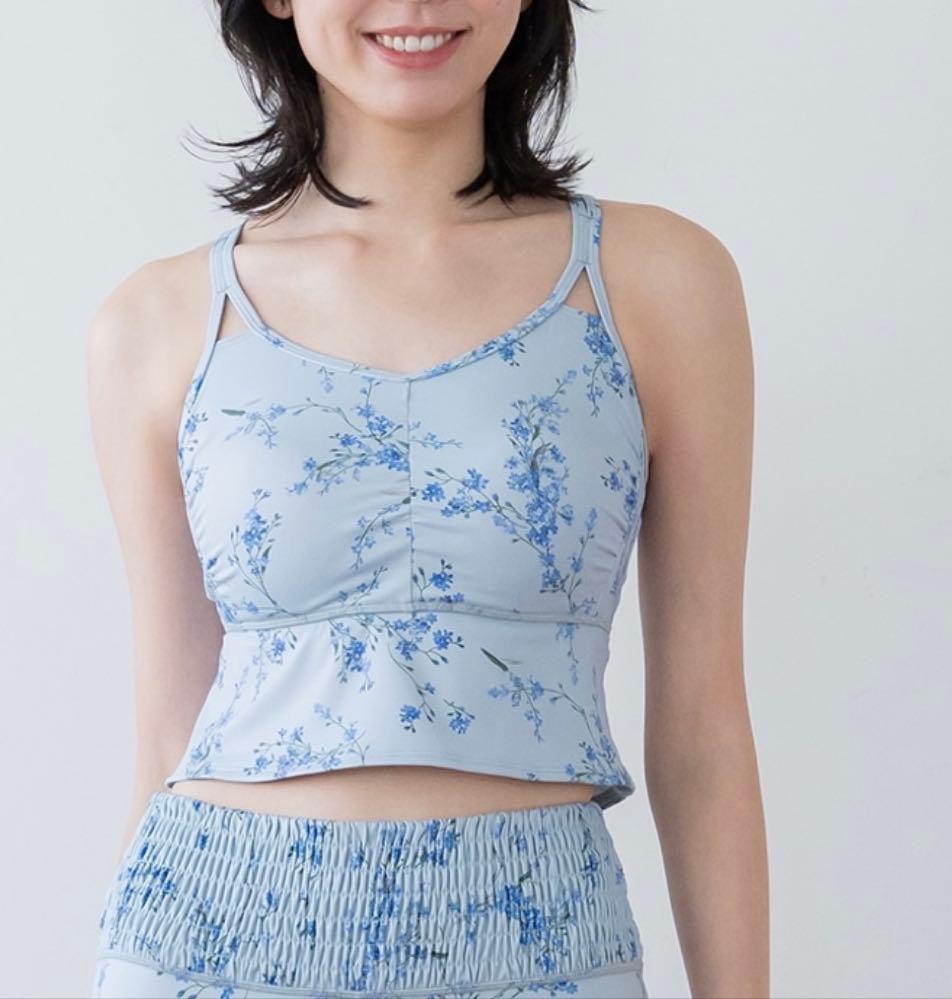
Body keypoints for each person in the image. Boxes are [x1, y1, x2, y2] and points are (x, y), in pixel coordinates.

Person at [85, 1, 766, 996]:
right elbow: (166, 731)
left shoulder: (659, 282)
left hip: (541, 933)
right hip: (209, 930)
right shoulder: (157, 322)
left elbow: (702, 729)